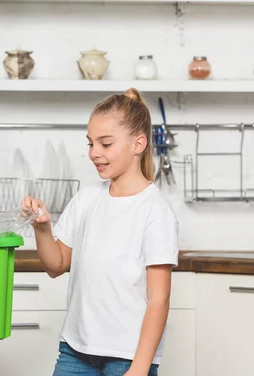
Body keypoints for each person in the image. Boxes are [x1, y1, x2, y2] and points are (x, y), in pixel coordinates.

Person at [22, 88, 179, 376]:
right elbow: (57, 266)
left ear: (138, 144)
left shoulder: (154, 210)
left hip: (127, 358)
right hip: (75, 350)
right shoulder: (86, 198)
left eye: (105, 144)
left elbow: (159, 298)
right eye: (91, 143)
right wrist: (42, 227)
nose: (94, 153)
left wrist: (140, 367)